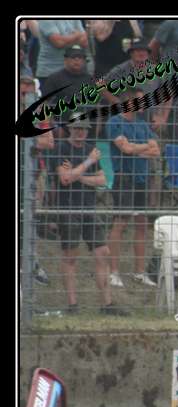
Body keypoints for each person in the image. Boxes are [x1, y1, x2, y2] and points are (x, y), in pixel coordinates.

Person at [48, 120, 125, 314]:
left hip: (89, 208)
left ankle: (107, 305)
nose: (80, 131)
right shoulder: (61, 148)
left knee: (102, 252)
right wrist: (88, 162)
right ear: (70, 129)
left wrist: (78, 175)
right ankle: (72, 305)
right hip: (68, 209)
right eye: (77, 128)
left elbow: (102, 179)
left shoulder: (91, 149)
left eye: (83, 128)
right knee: (70, 257)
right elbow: (64, 179)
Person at [106, 88, 161, 290]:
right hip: (123, 177)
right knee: (120, 223)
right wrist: (143, 147)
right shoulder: (114, 122)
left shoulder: (142, 124)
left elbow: (156, 151)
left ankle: (139, 272)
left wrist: (136, 148)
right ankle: (113, 272)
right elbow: (125, 148)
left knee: (141, 224)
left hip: (141, 178)